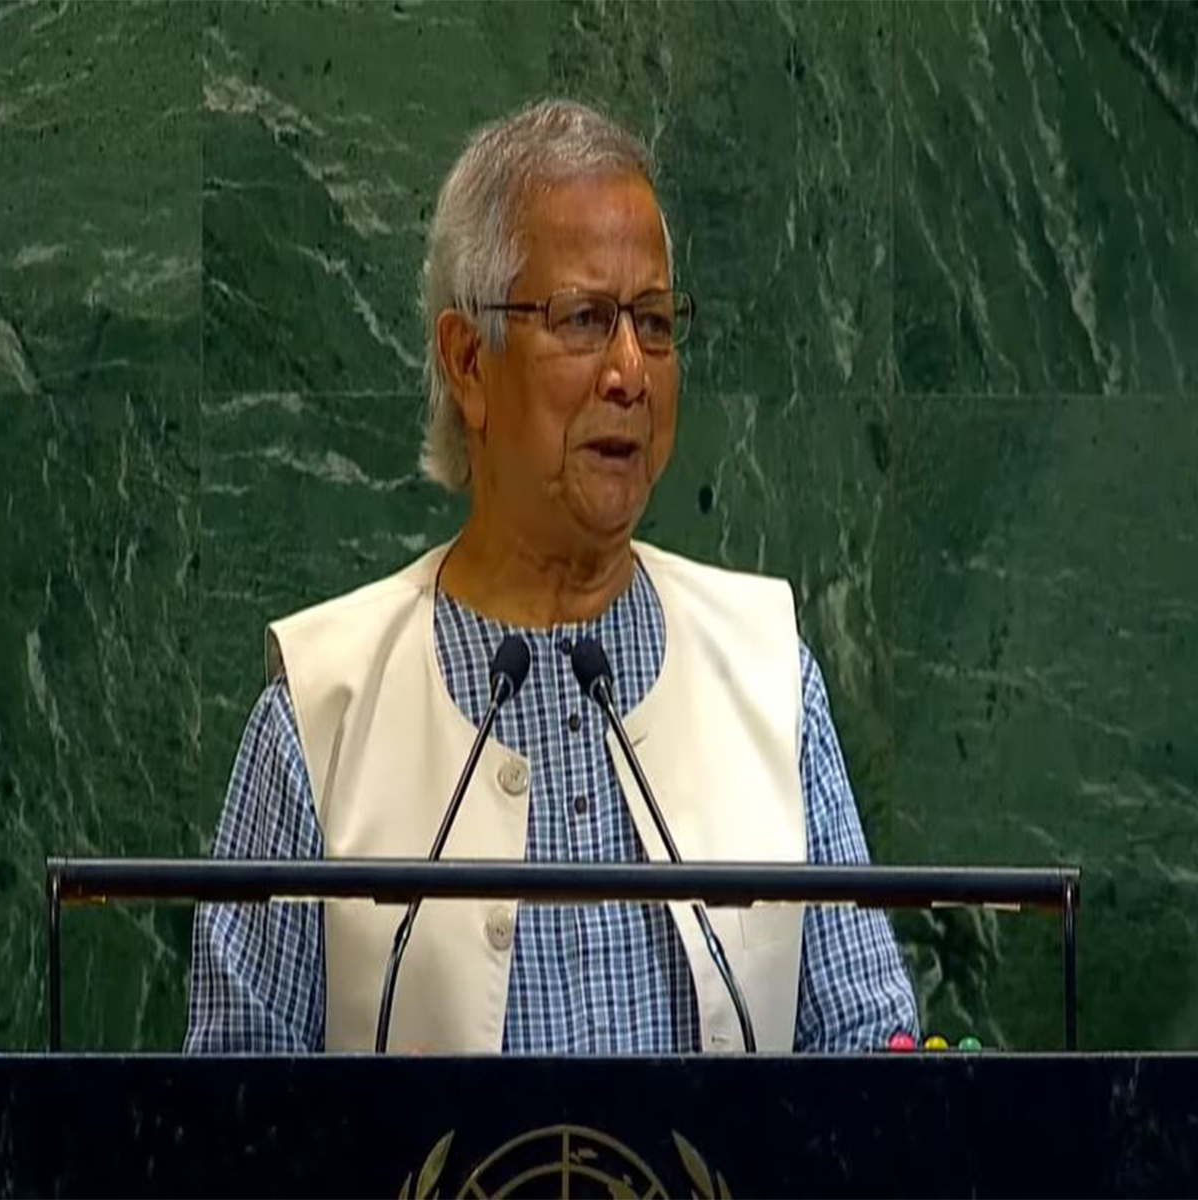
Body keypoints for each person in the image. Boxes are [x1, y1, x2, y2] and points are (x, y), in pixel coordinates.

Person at [185, 98, 919, 1054]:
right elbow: (229, 1119)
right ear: (469, 363)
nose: (631, 371)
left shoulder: (768, 677)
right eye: (584, 319)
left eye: (654, 324)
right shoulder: (324, 712)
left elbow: (869, 1051)